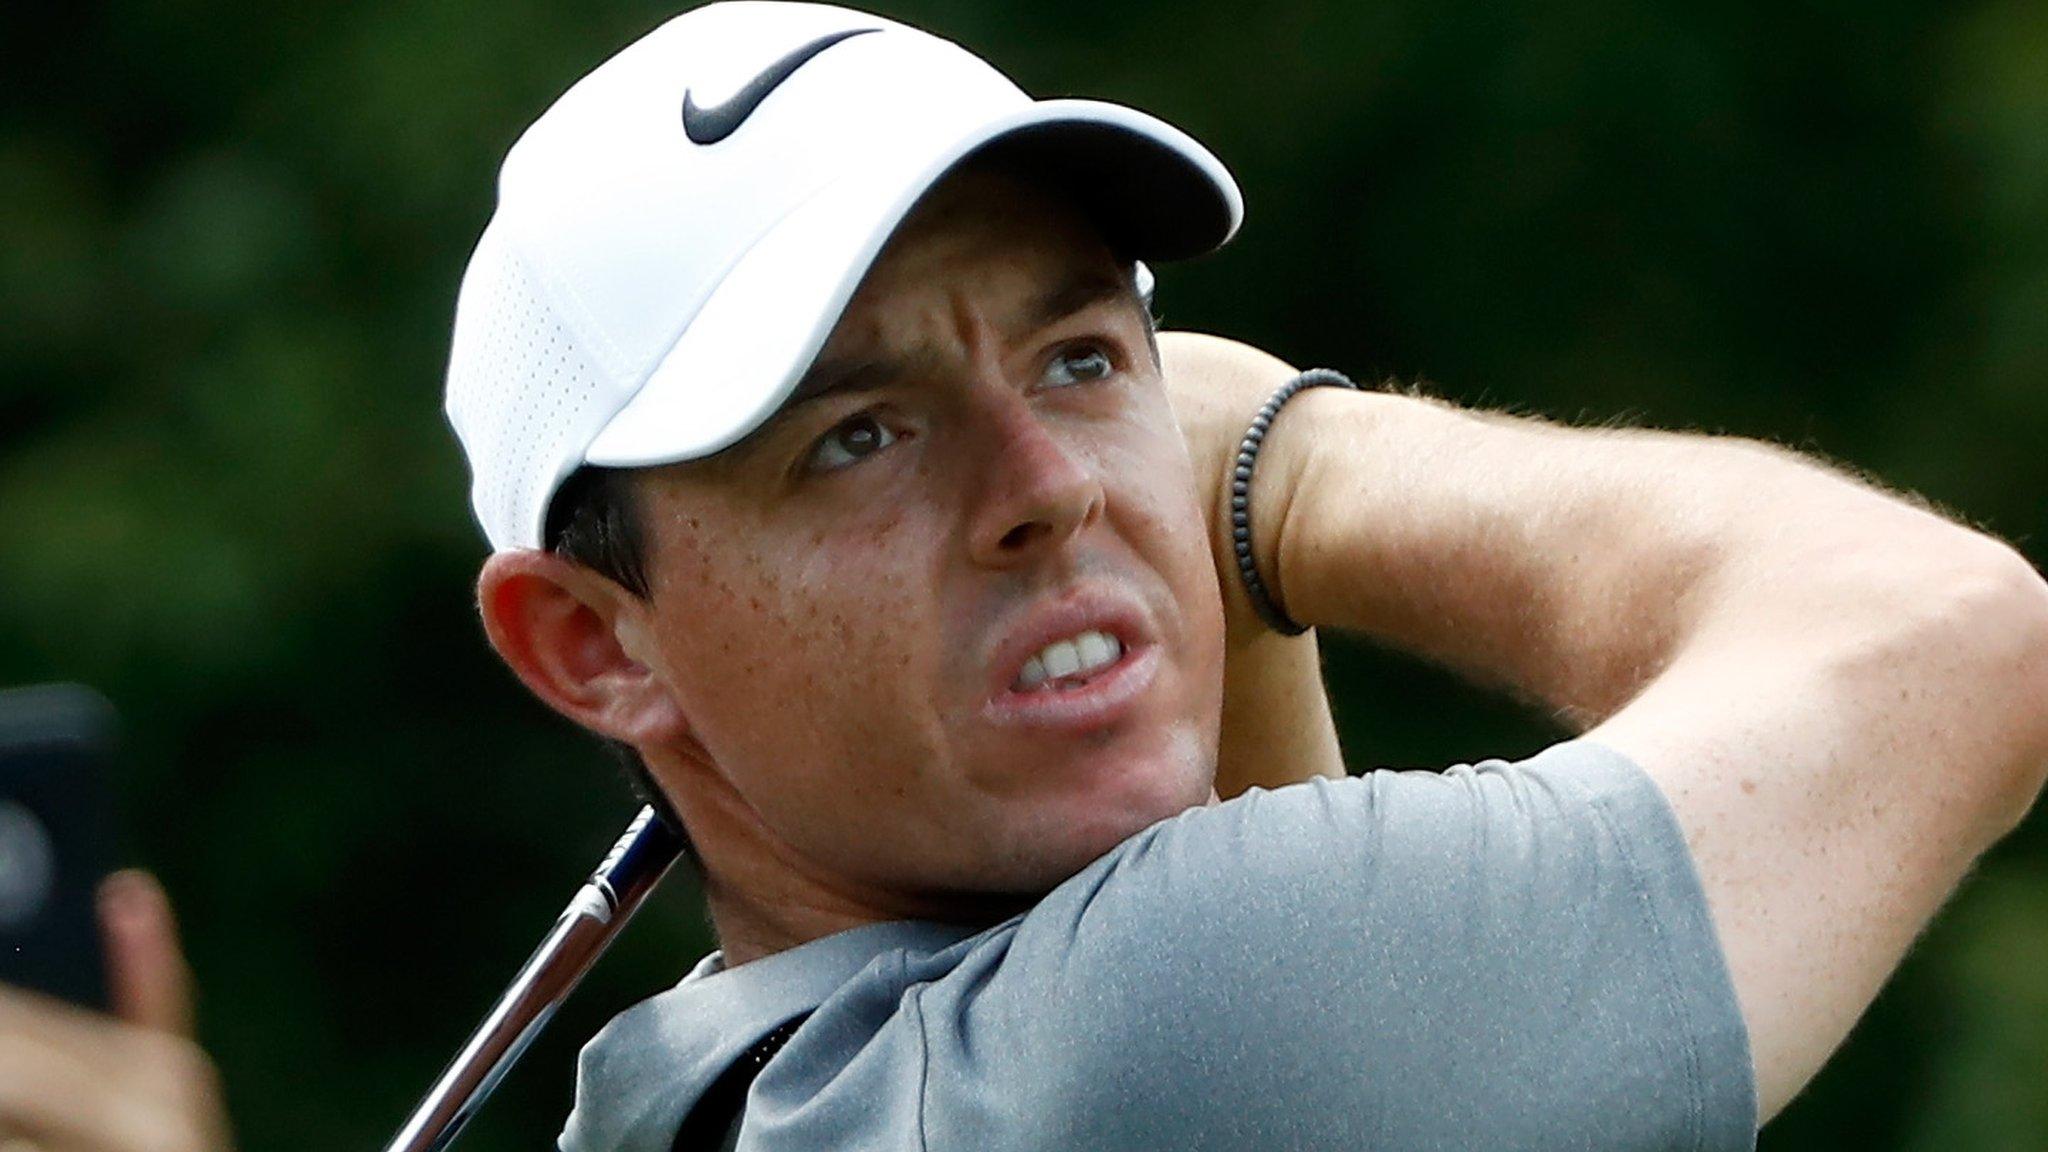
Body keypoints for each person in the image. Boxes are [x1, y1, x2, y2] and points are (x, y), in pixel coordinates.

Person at [6, 2, 2046, 1149]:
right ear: (594, 643)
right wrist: (1279, 459)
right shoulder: (1161, 1033)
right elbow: (1941, 635)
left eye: (1084, 359)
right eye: (859, 435)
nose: (1046, 486)